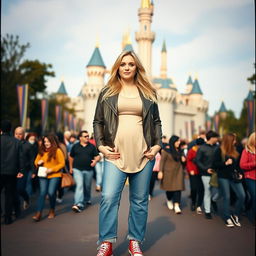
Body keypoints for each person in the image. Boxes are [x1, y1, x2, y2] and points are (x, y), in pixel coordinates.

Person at [93, 50, 162, 256]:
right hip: (116, 155)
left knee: (140, 201)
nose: (127, 67)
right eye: (123, 64)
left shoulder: (149, 93)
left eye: (131, 64)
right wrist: (100, 145)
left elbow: (157, 122)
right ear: (117, 67)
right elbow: (98, 121)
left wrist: (157, 146)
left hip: (143, 155)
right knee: (108, 198)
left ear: (136, 67)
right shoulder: (107, 92)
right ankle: (106, 242)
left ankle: (135, 241)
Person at [213, 133, 245, 227]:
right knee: (227, 196)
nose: (235, 141)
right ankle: (227, 217)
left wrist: (240, 174)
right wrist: (225, 163)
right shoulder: (219, 150)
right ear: (229, 141)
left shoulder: (236, 150)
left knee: (242, 195)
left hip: (233, 176)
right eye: (234, 140)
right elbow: (215, 164)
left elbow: (238, 165)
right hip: (223, 176)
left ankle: (235, 214)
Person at [32, 134, 65, 221]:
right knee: (42, 193)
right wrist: (38, 162)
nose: (46, 143)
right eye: (45, 141)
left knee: (51, 192)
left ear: (52, 141)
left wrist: (52, 170)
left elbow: (62, 163)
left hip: (55, 175)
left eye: (48, 141)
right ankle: (38, 213)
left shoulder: (57, 151)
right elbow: (36, 161)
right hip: (43, 174)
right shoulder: (42, 151)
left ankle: (52, 210)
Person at [69, 130, 100, 212]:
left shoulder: (91, 146)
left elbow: (98, 156)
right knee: (79, 185)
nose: (87, 137)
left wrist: (95, 161)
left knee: (87, 186)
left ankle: (87, 198)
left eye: (88, 136)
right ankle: (78, 204)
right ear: (80, 138)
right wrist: (70, 167)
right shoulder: (75, 146)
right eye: (85, 136)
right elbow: (71, 157)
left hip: (88, 170)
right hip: (77, 169)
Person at [0, 120, 23, 224]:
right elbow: (20, 158)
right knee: (9, 195)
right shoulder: (16, 142)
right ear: (10, 130)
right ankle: (7, 218)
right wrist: (21, 170)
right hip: (11, 171)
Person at [158, 135, 185, 214]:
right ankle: (169, 199)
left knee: (178, 188)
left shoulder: (180, 150)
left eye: (179, 141)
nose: (179, 143)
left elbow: (183, 160)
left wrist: (183, 159)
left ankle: (177, 205)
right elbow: (162, 161)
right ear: (173, 142)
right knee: (169, 189)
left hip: (178, 172)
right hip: (168, 172)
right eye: (177, 141)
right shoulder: (166, 150)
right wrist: (160, 171)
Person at [195, 130, 219, 219]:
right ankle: (207, 211)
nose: (217, 139)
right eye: (216, 137)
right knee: (207, 191)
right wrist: (205, 169)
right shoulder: (202, 148)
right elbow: (197, 160)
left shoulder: (218, 147)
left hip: (217, 173)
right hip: (205, 173)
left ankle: (213, 200)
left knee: (218, 191)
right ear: (212, 138)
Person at [13, 127, 34, 216]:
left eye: (20, 134)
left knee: (20, 188)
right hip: (12, 170)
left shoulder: (28, 145)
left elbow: (32, 159)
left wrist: (33, 171)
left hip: (25, 170)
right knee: (12, 191)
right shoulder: (11, 143)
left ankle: (26, 198)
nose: (18, 135)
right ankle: (15, 209)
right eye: (16, 133)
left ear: (24, 134)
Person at [240, 132, 256, 223]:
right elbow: (242, 165)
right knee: (254, 196)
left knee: (253, 198)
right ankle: (253, 218)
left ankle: (247, 209)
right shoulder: (246, 151)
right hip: (250, 177)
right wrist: (254, 164)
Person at [186, 138, 205, 214]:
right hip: (193, 172)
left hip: (202, 172)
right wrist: (190, 170)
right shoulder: (191, 151)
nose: (200, 147)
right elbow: (188, 161)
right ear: (196, 145)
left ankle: (199, 205)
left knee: (201, 189)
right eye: (199, 145)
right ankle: (193, 202)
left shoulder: (203, 150)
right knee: (194, 188)